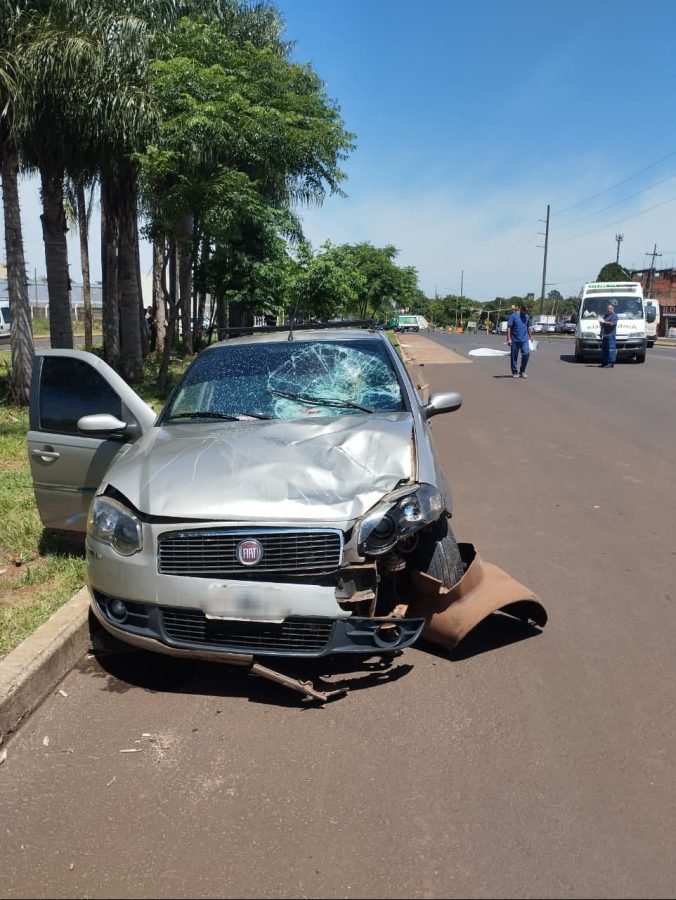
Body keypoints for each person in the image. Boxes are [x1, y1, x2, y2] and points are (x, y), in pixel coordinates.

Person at [506, 302, 533, 378]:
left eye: (527, 312)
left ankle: (522, 371)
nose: (526, 313)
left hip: (524, 340)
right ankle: (515, 372)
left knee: (526, 354)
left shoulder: (527, 316)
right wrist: (509, 339)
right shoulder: (513, 316)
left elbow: (528, 327)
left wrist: (531, 337)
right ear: (521, 309)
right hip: (514, 340)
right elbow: (509, 327)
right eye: (525, 312)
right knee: (514, 356)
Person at [599, 302, 618, 368]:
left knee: (611, 349)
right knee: (605, 349)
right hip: (605, 335)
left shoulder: (614, 316)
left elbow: (612, 323)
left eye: (610, 308)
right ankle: (605, 362)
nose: (609, 309)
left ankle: (611, 363)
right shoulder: (605, 315)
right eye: (608, 308)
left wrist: (604, 322)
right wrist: (601, 323)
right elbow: (603, 325)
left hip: (610, 335)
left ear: (613, 309)